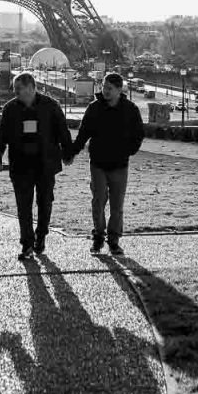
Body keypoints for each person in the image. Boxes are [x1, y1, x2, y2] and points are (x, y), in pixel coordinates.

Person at [0, 72, 73, 261]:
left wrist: (68, 153)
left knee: (45, 202)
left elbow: (62, 131)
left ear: (30, 87)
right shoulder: (10, 109)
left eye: (18, 88)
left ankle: (41, 235)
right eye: (15, 89)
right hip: (20, 165)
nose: (15, 92)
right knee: (23, 207)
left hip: (45, 164)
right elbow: (1, 135)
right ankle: (27, 244)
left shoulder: (51, 106)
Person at [71, 72, 145, 256]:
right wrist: (71, 152)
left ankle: (114, 241)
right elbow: (83, 134)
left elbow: (139, 134)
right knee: (98, 201)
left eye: (109, 88)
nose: (105, 91)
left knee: (117, 205)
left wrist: (128, 151)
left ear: (120, 90)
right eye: (103, 87)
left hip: (120, 164)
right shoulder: (94, 108)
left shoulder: (130, 110)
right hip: (98, 163)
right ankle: (98, 237)